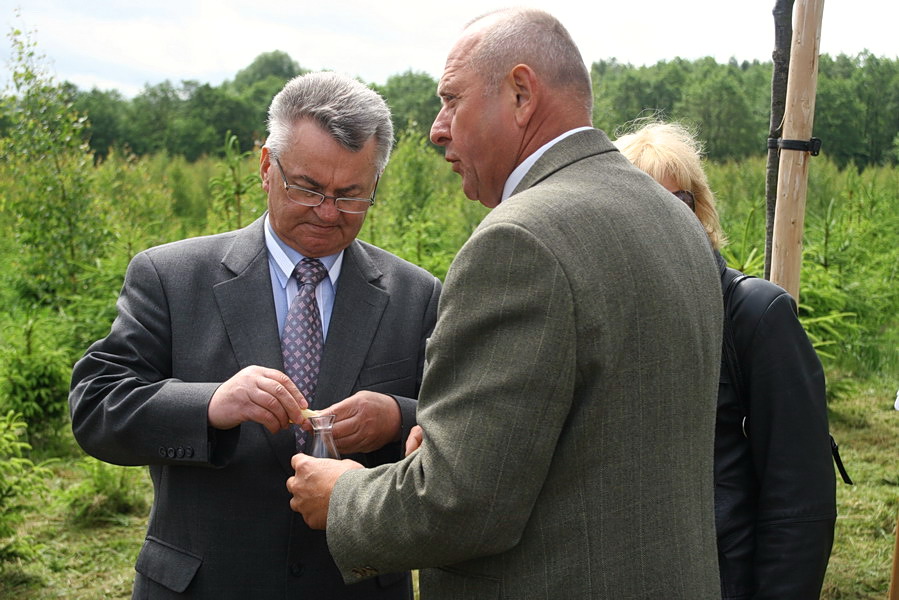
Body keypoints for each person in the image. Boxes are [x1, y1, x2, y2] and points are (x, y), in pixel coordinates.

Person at [286, 9, 724, 598]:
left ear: (521, 93)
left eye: (451, 101)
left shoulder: (520, 241)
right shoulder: (669, 214)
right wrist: (445, 441)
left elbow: (461, 503)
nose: (437, 129)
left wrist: (342, 495)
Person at [69, 71, 441, 599]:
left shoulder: (417, 294)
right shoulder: (172, 276)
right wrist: (211, 404)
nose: (328, 212)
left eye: (351, 195)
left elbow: (458, 424)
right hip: (205, 584)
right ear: (267, 166)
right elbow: (96, 407)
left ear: (375, 185)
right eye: (308, 188)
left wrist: (396, 417)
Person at [615, 120, 837, 599]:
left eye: (679, 202)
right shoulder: (607, 321)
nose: (667, 220)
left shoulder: (755, 315)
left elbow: (801, 502)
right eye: (640, 205)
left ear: (702, 210)